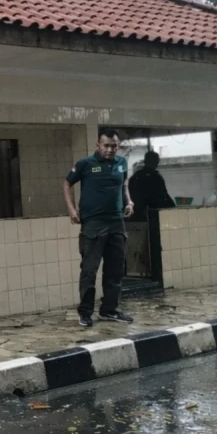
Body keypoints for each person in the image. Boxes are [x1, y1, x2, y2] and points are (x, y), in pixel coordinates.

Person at [63, 129, 135, 328]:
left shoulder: (121, 163)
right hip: (93, 224)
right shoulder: (85, 163)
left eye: (114, 146)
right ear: (98, 145)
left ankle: (109, 309)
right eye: (106, 146)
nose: (110, 150)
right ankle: (85, 312)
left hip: (116, 223)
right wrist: (72, 210)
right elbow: (67, 184)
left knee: (115, 270)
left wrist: (129, 202)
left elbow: (124, 184)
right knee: (89, 270)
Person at [128, 151, 175, 221]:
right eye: (155, 161)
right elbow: (163, 195)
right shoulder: (156, 178)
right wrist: (172, 208)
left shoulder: (136, 177)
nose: (157, 163)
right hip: (150, 215)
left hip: (139, 215)